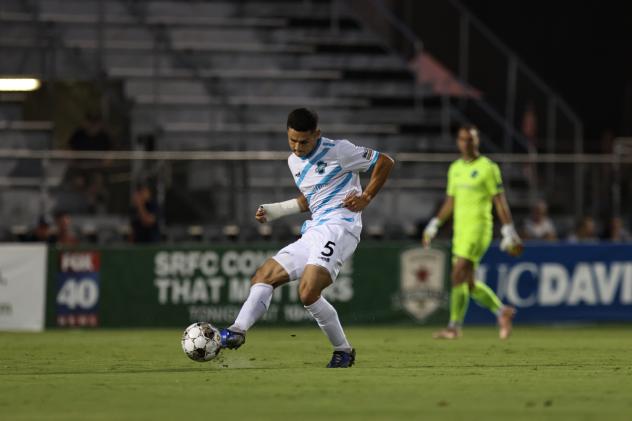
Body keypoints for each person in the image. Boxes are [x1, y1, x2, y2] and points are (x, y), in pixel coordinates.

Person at [218, 108, 394, 368]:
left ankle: (342, 350)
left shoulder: (340, 150)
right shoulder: (293, 162)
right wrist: (277, 210)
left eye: (304, 141)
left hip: (340, 227)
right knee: (264, 275)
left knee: (308, 292)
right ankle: (237, 330)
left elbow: (385, 161)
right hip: (315, 230)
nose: (297, 147)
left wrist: (365, 196)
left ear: (317, 134)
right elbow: (311, 198)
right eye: (292, 140)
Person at [422, 125, 521, 340]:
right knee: (468, 283)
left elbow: (499, 200)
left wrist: (508, 229)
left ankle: (453, 327)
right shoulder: (455, 168)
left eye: (471, 139)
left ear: (477, 141)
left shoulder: (488, 167)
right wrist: (434, 225)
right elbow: (450, 201)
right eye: (463, 139)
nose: (466, 143)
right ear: (458, 142)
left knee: (457, 274)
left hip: (479, 229)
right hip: (460, 231)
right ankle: (501, 312)